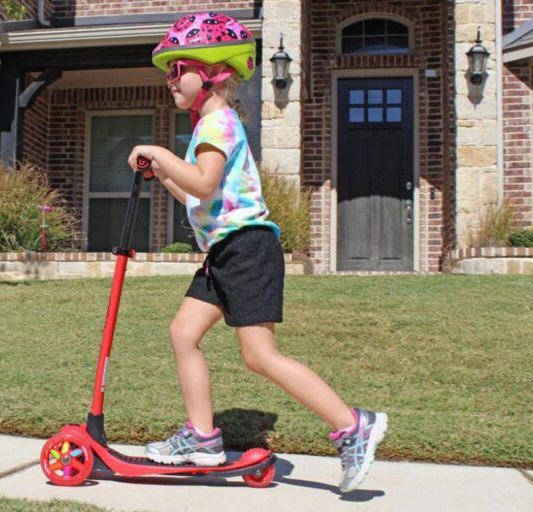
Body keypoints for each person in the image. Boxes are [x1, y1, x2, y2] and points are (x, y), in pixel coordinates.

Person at [126, 12, 387, 493]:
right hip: (224, 251)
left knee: (260, 356)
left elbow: (202, 182)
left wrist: (160, 154)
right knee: (183, 333)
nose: (168, 80)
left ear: (211, 73)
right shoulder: (209, 127)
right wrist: (162, 173)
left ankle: (353, 425)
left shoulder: (217, 124)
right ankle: (203, 438)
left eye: (176, 68)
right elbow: (198, 196)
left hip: (246, 248)